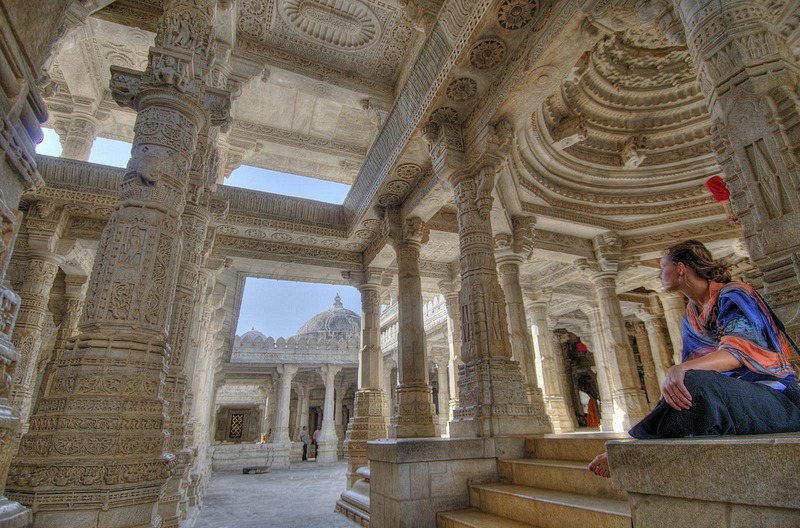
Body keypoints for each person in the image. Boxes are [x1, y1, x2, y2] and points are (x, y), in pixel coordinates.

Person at [589, 239, 800, 478]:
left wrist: (681, 369)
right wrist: (680, 373)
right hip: (731, 397)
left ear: (681, 268)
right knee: (688, 385)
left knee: (692, 382)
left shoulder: (735, 294)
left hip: (776, 398)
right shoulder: (691, 316)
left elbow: (737, 353)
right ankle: (636, 445)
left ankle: (632, 449)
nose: (660, 274)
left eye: (663, 267)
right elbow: (688, 377)